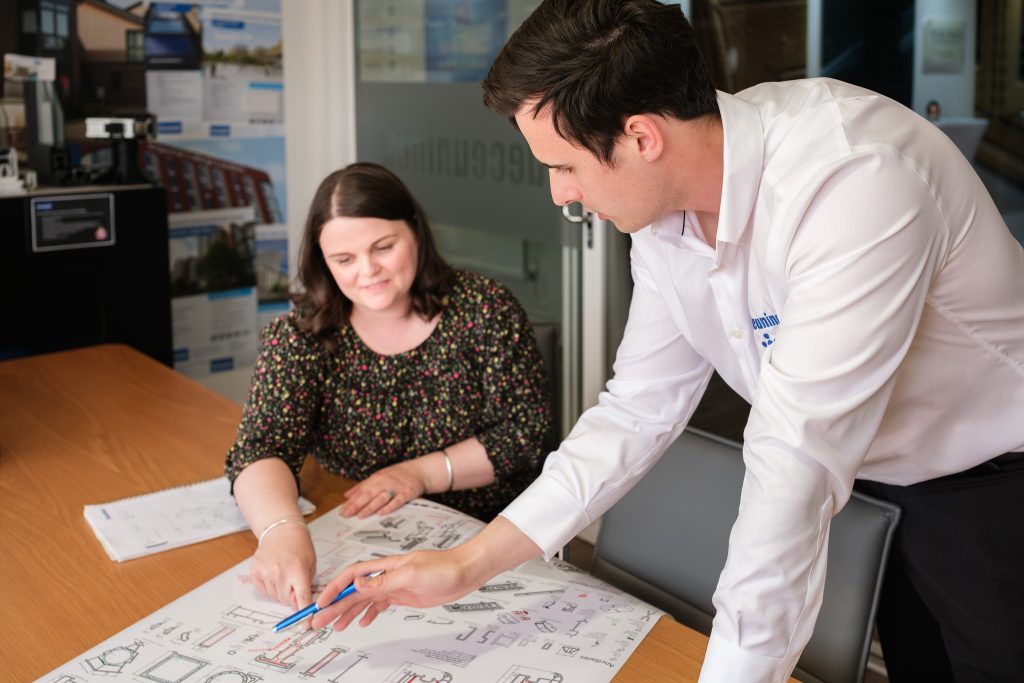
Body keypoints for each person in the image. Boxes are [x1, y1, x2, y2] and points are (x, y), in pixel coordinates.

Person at [308, 3, 1024, 681]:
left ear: (641, 138)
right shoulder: (667, 210)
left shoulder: (852, 179)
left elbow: (793, 457)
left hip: (991, 486)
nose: (560, 194)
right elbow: (637, 409)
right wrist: (469, 563)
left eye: (564, 166)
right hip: (871, 479)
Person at [225, 162, 554, 613]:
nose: (368, 271)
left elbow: (524, 433)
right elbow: (260, 448)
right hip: (357, 535)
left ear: (415, 230)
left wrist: (420, 474)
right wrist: (279, 529)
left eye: (383, 247)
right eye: (344, 260)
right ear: (322, 261)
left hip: (483, 543)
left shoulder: (484, 309)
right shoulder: (301, 336)